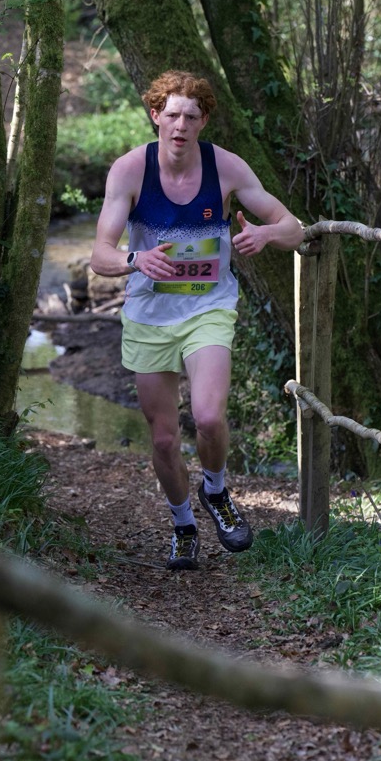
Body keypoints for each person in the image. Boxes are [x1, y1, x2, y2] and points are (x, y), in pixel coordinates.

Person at [90, 70, 304, 571]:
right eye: (172, 115)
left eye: (191, 116)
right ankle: (183, 524)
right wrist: (136, 260)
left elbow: (292, 226)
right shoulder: (129, 171)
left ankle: (216, 490)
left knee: (208, 417)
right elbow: (99, 254)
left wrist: (266, 236)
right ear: (156, 116)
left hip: (208, 307)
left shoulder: (226, 167)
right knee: (164, 438)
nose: (181, 125)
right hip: (149, 314)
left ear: (204, 120)